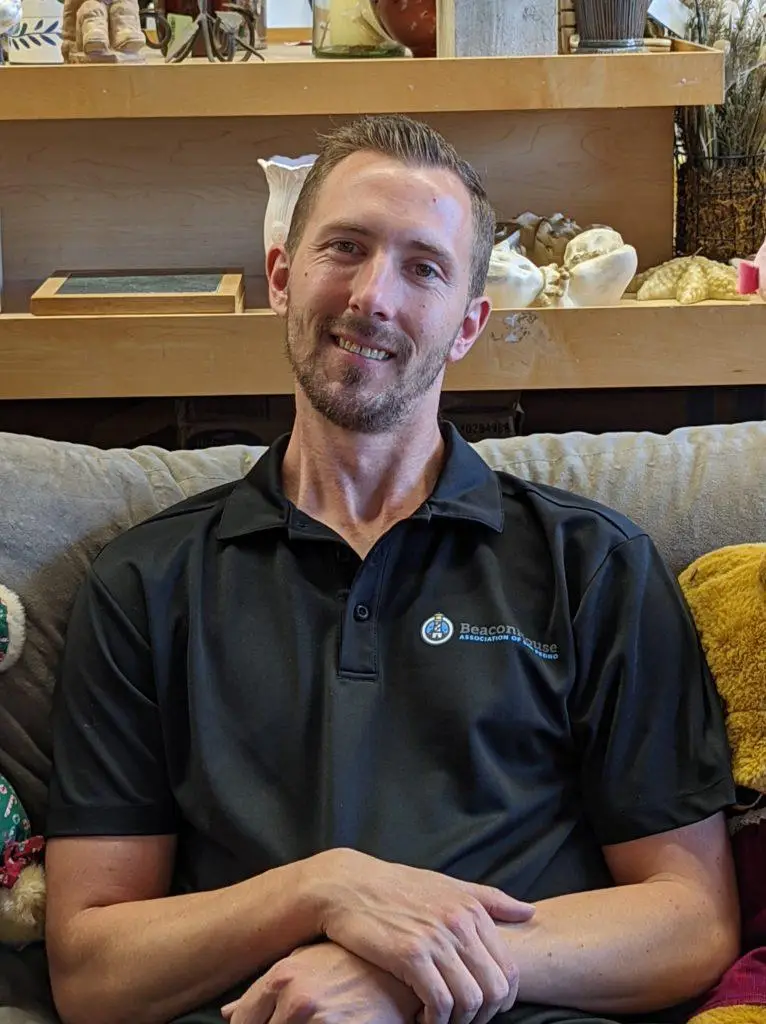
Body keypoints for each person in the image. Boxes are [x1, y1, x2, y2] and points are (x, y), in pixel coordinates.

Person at [44, 114, 739, 1024]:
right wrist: (321, 892)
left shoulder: (593, 566)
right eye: (346, 246)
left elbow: (689, 919)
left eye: (424, 268)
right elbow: (93, 971)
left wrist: (409, 969)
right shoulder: (146, 583)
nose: (375, 294)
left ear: (468, 325)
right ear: (282, 278)